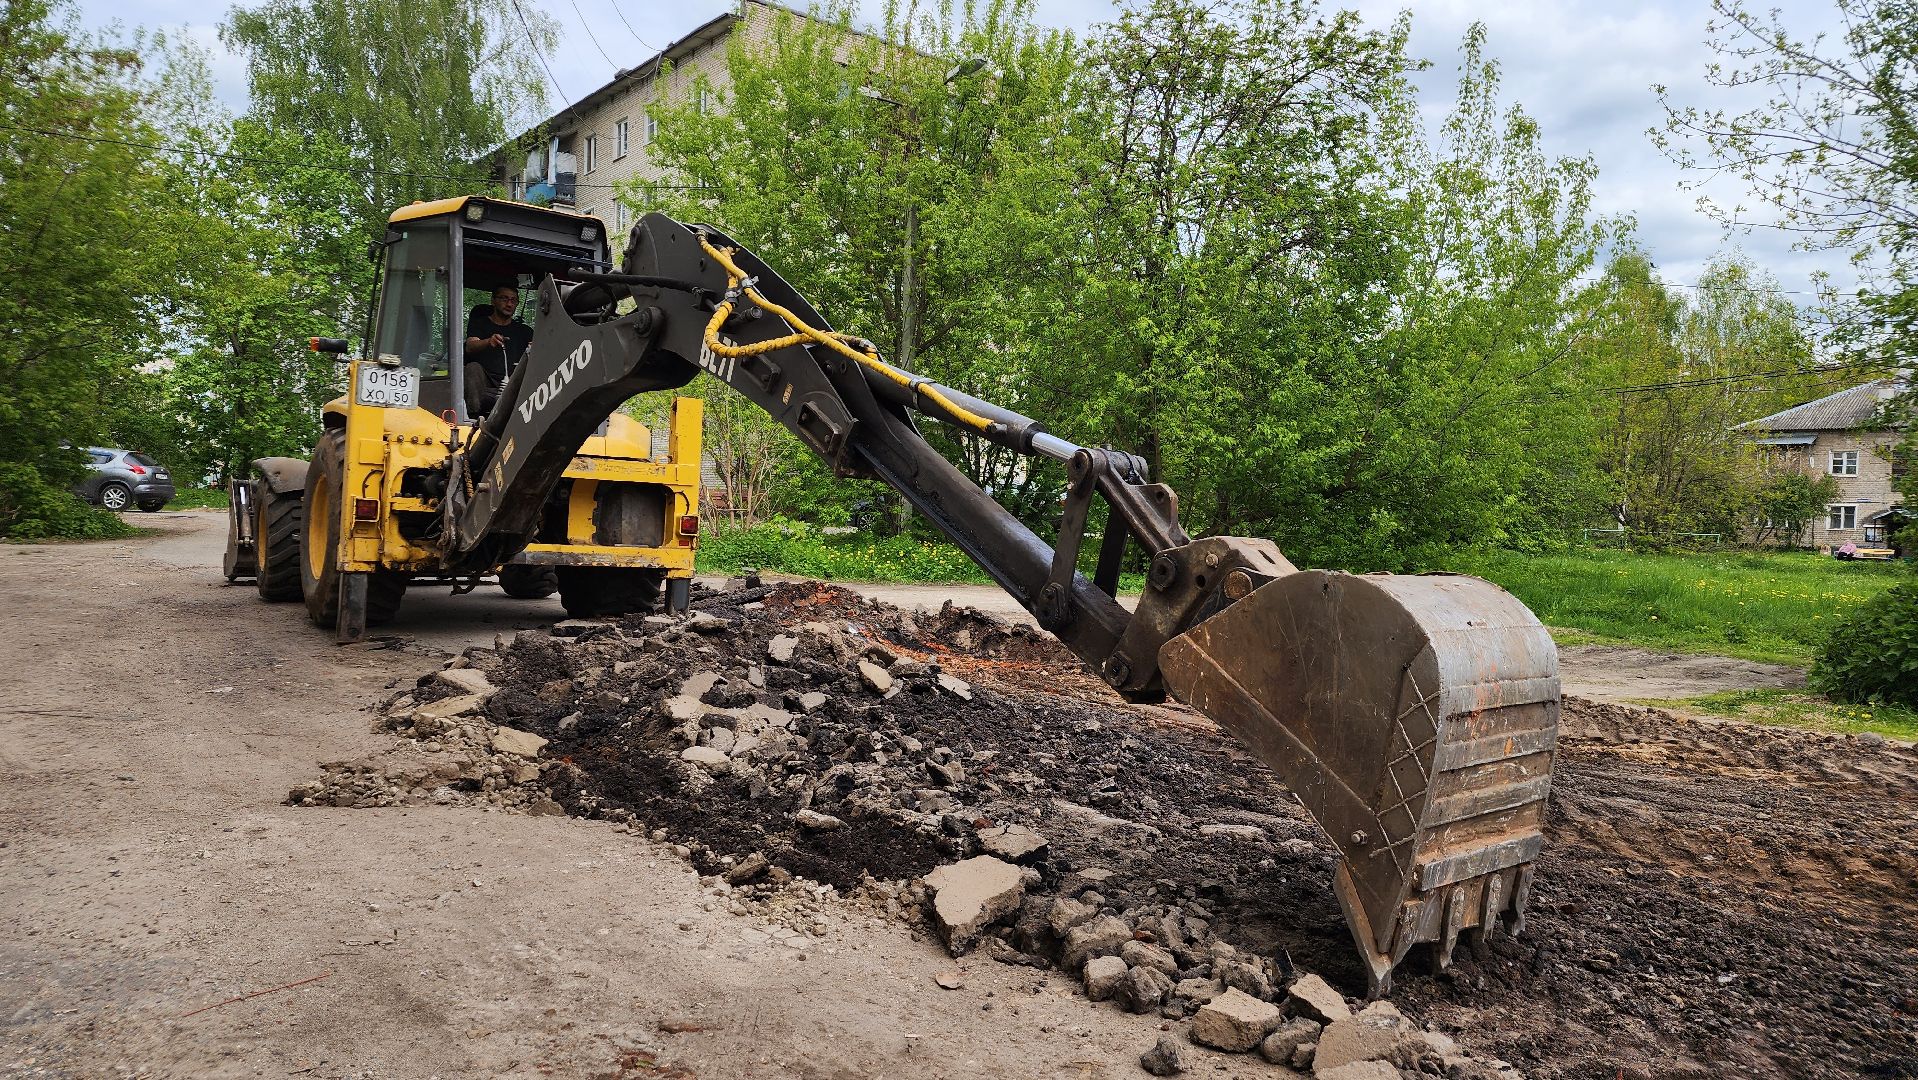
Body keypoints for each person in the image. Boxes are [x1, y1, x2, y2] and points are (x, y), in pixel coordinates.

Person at [464, 285, 534, 416]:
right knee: (472, 368)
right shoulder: (480, 323)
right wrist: (488, 341)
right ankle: (473, 419)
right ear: (493, 301)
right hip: (486, 380)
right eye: (504, 299)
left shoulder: (525, 331)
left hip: (513, 381)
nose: (509, 304)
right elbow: (470, 346)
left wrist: (537, 349)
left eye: (513, 300)